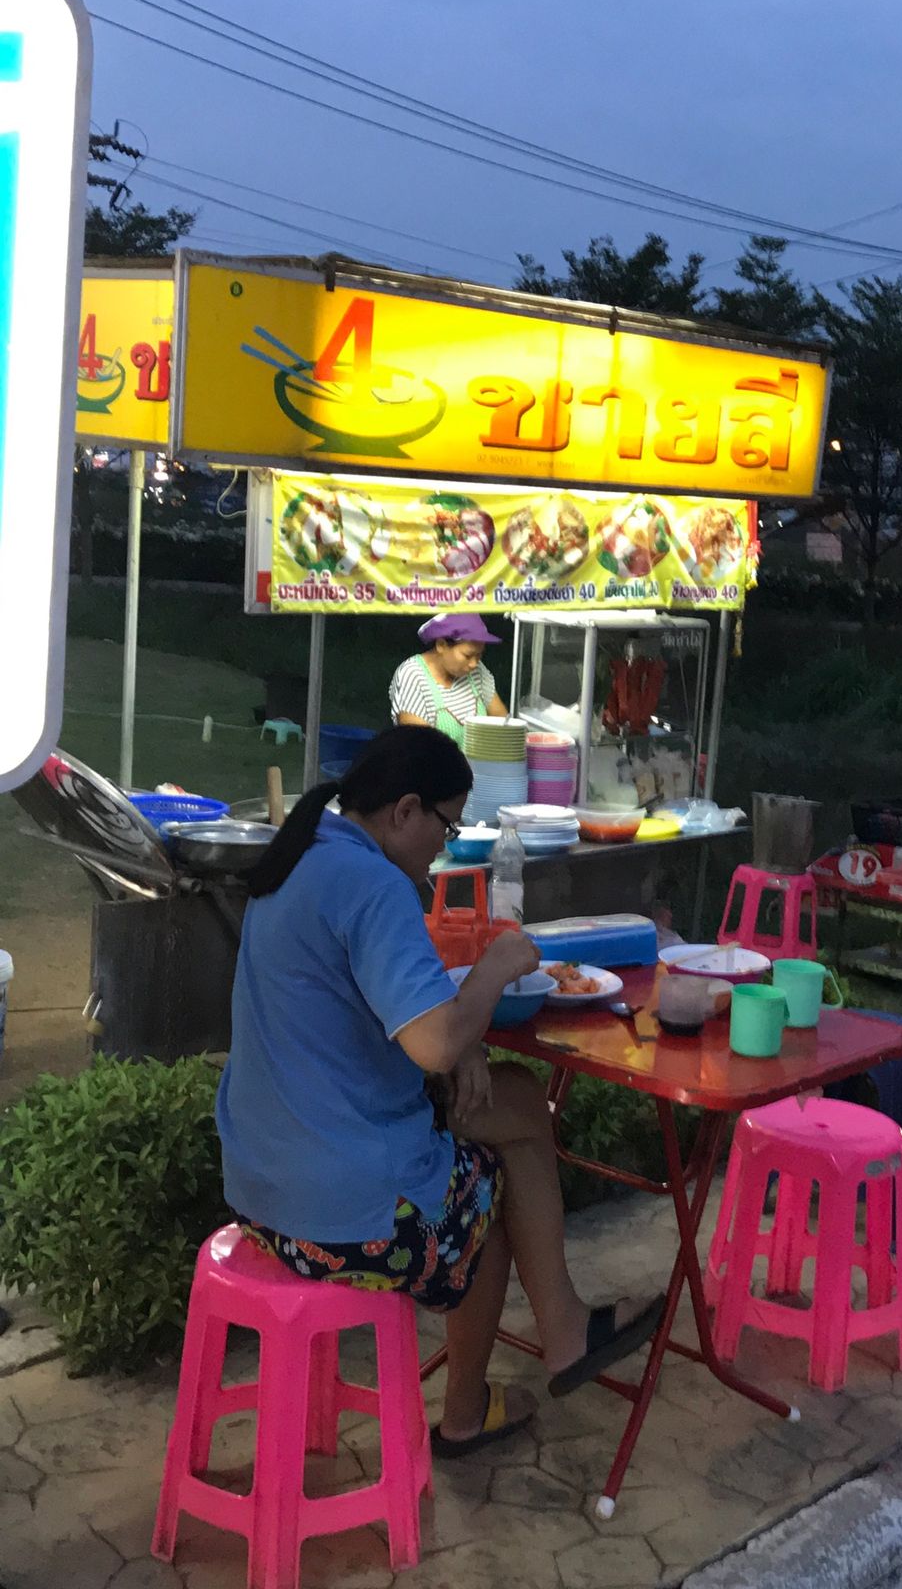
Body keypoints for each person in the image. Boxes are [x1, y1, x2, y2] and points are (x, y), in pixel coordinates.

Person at [216, 726, 662, 1457]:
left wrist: (466, 1045)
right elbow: (433, 1044)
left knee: (518, 1100)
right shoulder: (373, 886)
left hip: (261, 1178)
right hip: (332, 1209)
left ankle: (563, 1328)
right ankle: (477, 1403)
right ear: (405, 810)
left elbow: (387, 1017)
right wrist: (496, 967)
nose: (444, 846)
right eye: (446, 827)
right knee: (484, 1197)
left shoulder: (309, 855)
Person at [389, 613, 508, 746]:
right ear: (441, 645)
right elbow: (418, 746)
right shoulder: (412, 675)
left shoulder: (477, 671)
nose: (474, 663)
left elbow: (502, 720)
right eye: (467, 655)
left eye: (479, 655)